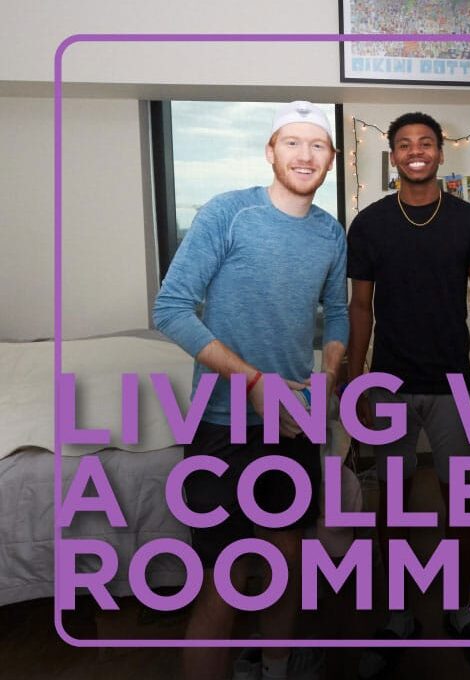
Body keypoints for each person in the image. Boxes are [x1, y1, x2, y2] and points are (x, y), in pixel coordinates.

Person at [152, 101, 348, 680]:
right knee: (227, 575)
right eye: (292, 143)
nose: (305, 155)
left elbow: (336, 314)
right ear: (271, 151)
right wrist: (255, 382)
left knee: (286, 553)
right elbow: (170, 309)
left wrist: (327, 377)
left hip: (292, 425)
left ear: (331, 159)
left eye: (318, 145)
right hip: (221, 423)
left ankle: (275, 665)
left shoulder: (330, 232)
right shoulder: (228, 214)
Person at [346, 112, 470, 677]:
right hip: (387, 385)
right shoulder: (368, 225)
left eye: (426, 143)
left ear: (441, 153)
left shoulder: (469, 221)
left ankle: (462, 608)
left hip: (453, 385)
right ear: (393, 157)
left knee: (463, 505)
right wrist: (357, 379)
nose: (416, 151)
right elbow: (359, 308)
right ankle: (397, 613)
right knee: (392, 507)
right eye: (405, 145)